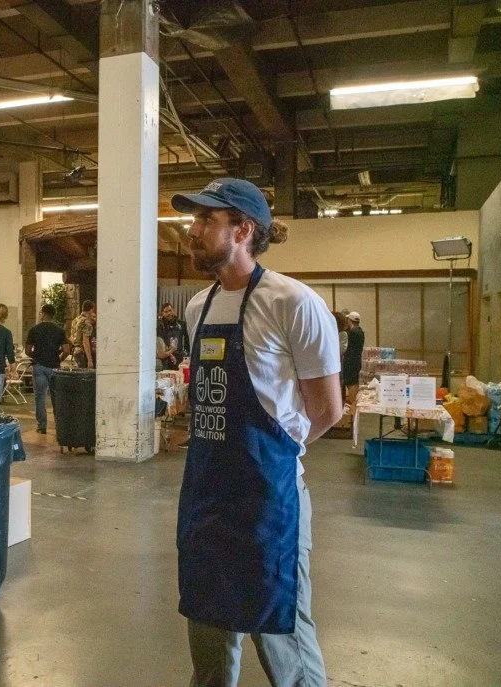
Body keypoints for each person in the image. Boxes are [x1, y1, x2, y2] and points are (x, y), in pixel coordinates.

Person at [170, 178, 342, 687]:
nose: (193, 230)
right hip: (205, 494)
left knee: (282, 632)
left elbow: (329, 410)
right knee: (206, 631)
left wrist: (269, 457)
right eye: (194, 219)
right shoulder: (197, 306)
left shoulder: (294, 302)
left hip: (270, 499)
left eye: (206, 220)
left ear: (243, 230)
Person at [24, 304, 71, 434]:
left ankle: (42, 426)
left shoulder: (34, 330)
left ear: (44, 314)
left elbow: (27, 350)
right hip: (54, 367)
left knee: (40, 397)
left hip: (39, 366)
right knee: (56, 397)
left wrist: (37, 356)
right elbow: (67, 350)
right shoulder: (59, 330)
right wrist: (59, 359)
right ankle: (59, 426)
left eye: (40, 313)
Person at [157, 302, 187, 370]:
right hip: (166, 359)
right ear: (163, 313)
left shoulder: (182, 324)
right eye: (166, 312)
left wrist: (186, 353)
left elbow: (187, 340)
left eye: (170, 310)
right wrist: (170, 354)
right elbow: (161, 343)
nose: (169, 313)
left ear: (173, 310)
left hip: (180, 357)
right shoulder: (160, 326)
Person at [343, 311, 365, 406]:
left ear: (349, 320)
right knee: (354, 383)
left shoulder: (352, 333)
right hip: (356, 361)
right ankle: (353, 407)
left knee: (351, 385)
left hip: (350, 362)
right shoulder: (360, 331)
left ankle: (353, 407)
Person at [70, 300, 95, 369]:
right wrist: (90, 360)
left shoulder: (75, 320)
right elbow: (85, 341)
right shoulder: (86, 322)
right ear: (91, 309)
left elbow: (71, 337)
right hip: (83, 352)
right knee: (86, 376)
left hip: (75, 351)